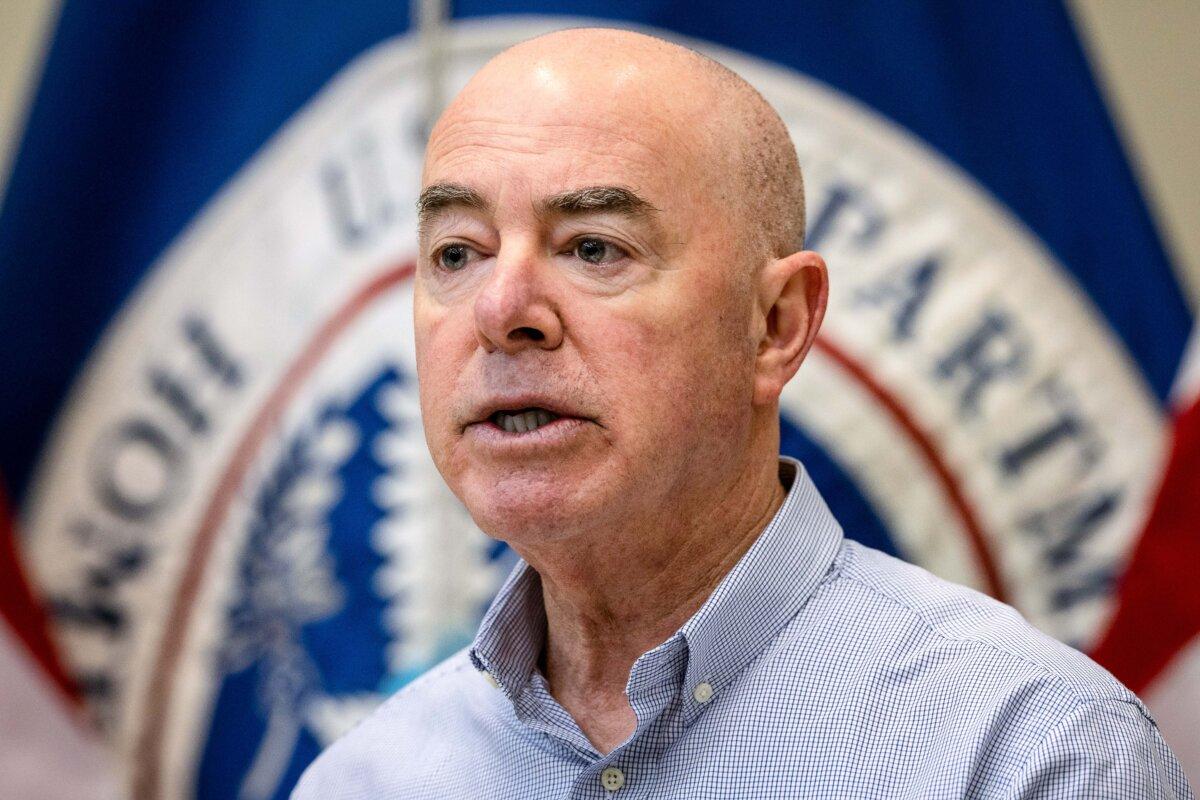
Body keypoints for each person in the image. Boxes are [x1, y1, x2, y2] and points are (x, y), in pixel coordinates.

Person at [293, 28, 1192, 799]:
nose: (501, 309)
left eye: (593, 247)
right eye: (457, 253)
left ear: (776, 326)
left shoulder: (1025, 753)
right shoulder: (365, 779)